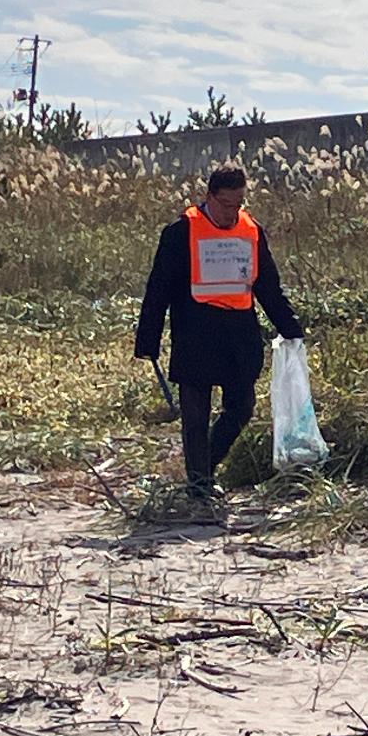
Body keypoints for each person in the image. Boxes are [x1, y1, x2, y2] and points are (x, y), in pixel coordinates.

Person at [134, 164, 305, 499]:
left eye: (238, 204)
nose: (232, 212)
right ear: (210, 197)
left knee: (241, 408)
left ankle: (206, 467)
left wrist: (291, 327)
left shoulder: (251, 230)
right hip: (194, 330)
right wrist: (148, 338)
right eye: (226, 204)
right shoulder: (180, 232)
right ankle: (199, 482)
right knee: (195, 415)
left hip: (239, 335)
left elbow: (267, 286)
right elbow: (159, 289)